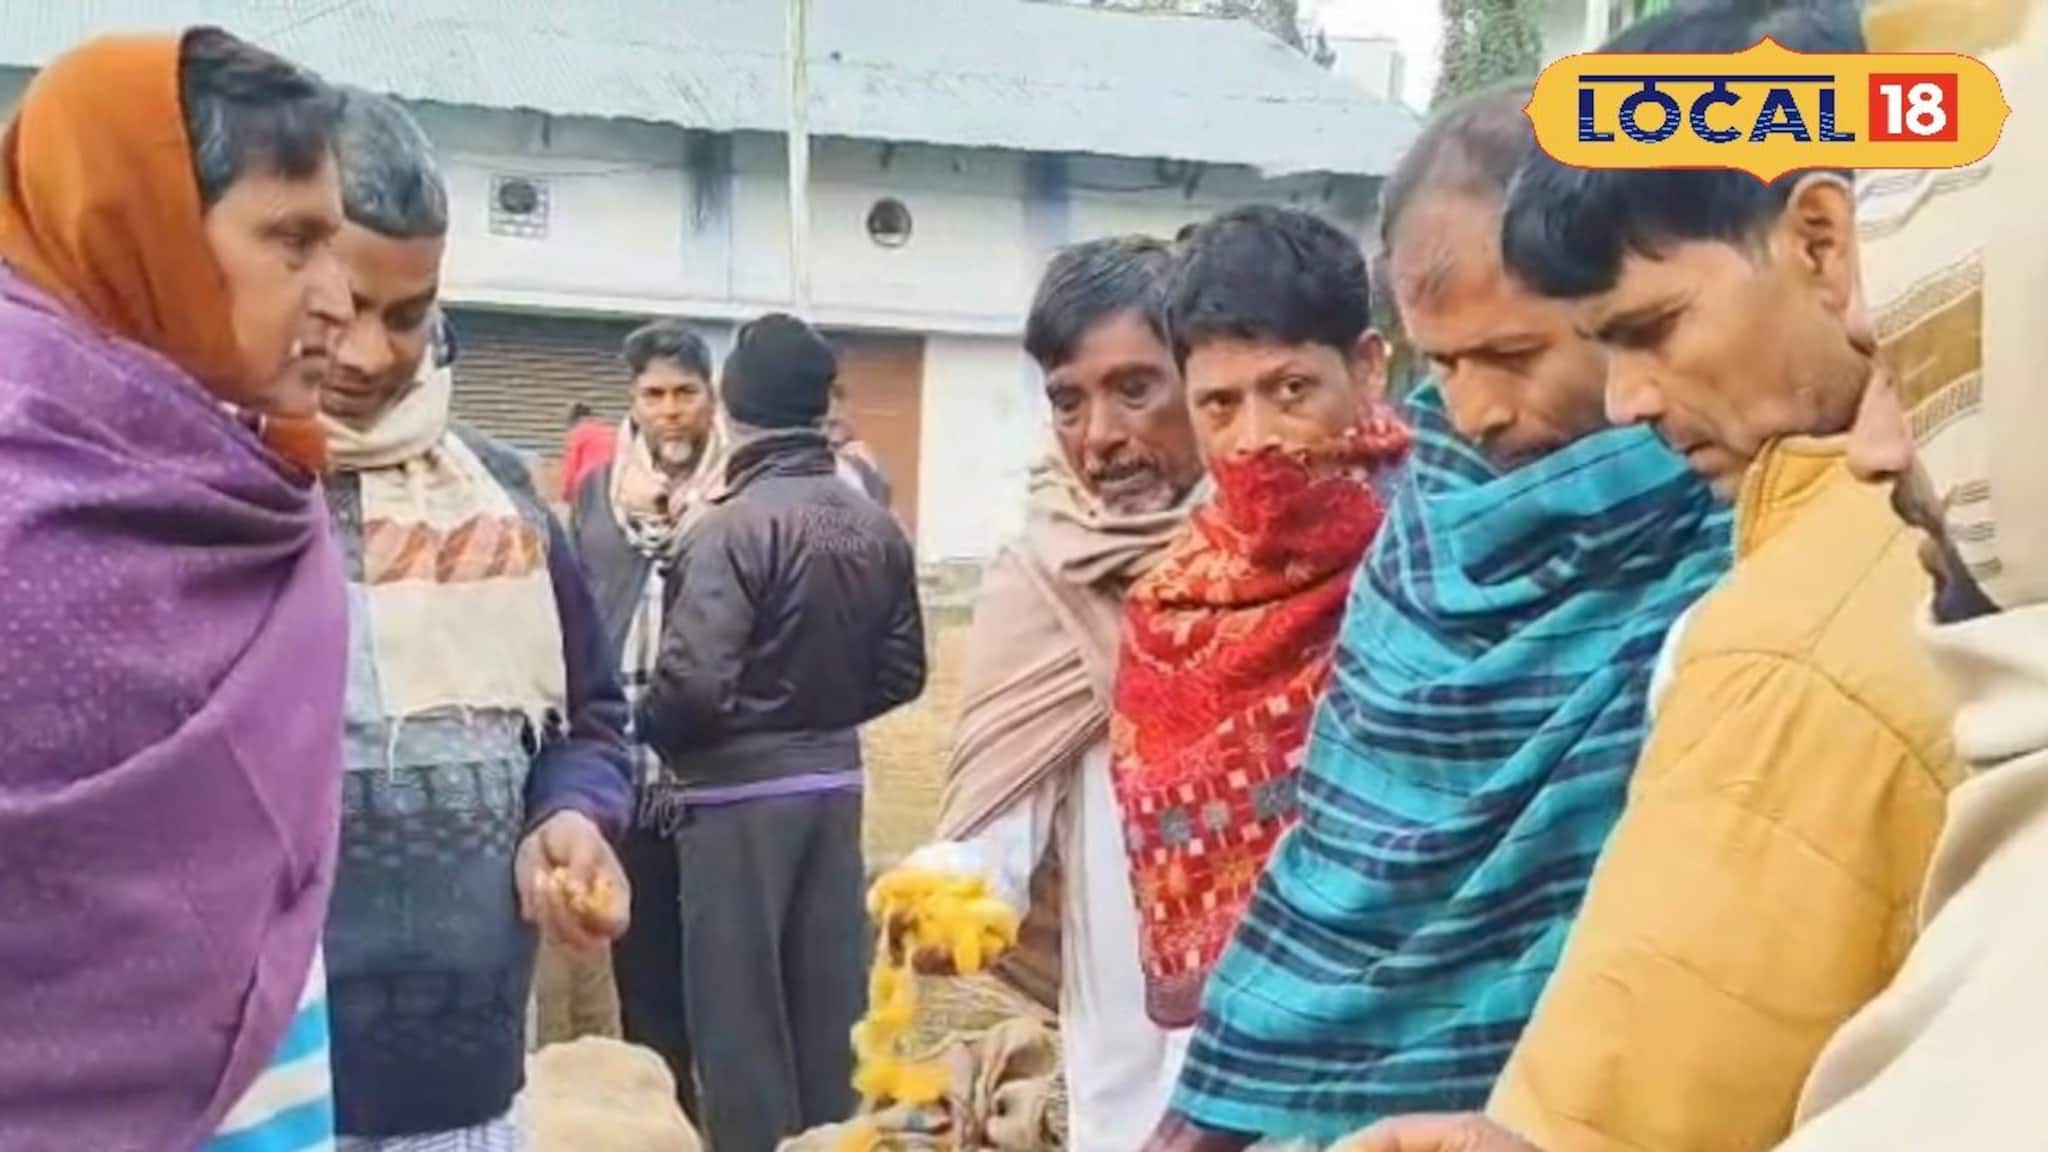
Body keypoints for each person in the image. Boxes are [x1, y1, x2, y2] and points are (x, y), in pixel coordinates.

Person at [1156, 85, 1733, 1150]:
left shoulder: (1720, 536)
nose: (1474, 410)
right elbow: (1334, 864)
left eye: (1514, 356)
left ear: (1623, 305)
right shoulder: (1421, 531)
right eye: (1446, 361)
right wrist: (1215, 1098)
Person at [1464, 5, 1960, 1151]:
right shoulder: (1986, 529)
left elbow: (1623, 1121)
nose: (1627, 403)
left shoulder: (1799, 644)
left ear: (1821, 241)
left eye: (1652, 328)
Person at [0, 28, 354, 1152]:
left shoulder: (246, 482)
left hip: (266, 1076)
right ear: (131, 219)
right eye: (291, 242)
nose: (338, 297)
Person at [317, 88, 634, 1150]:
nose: (367, 353)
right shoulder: (215, 496)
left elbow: (591, 720)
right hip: (264, 1095)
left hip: (470, 1095)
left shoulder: (498, 496)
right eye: (338, 306)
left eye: (404, 315)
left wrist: (570, 817)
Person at [890, 235, 1207, 1150]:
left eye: (1134, 389)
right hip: (1123, 1070)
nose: (1100, 435)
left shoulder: (1285, 563)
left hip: (1291, 1071)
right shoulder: (1040, 580)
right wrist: (948, 901)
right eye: (1069, 401)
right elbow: (996, 833)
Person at [1125, 204, 1411, 1151]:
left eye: (1290, 388)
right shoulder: (1171, 613)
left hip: (1435, 1049)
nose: (1254, 438)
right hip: (1234, 1077)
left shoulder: (1448, 554)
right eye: (1219, 404)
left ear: (1367, 368)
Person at [636, 312, 928, 1152]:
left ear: (731, 408)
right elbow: (904, 671)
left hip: (734, 799)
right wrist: (816, 718)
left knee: (739, 1022)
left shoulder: (727, 526)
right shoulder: (873, 522)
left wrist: (654, 731)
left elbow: (691, 688)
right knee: (831, 1010)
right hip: (834, 789)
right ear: (820, 407)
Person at [572, 317, 727, 1120]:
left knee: (718, 969)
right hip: (626, 773)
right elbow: (580, 619)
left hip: (717, 775)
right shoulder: (597, 498)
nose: (670, 411)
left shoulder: (739, 489)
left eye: (685, 394)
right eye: (654, 395)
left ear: (711, 398)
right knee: (643, 973)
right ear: (633, 403)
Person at [827, 378, 895, 507]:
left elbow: (882, 506)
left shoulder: (859, 456)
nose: (838, 415)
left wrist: (874, 469)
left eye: (840, 410)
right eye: (831, 423)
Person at [561, 399, 618, 502]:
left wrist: (568, 492)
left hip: (589, 480)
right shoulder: (606, 430)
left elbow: (571, 465)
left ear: (573, 419)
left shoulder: (578, 433)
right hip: (612, 478)